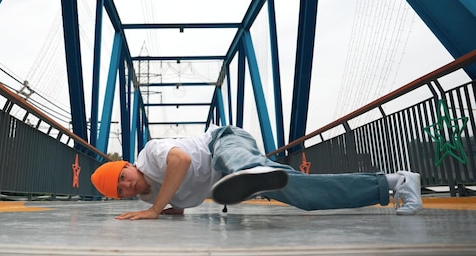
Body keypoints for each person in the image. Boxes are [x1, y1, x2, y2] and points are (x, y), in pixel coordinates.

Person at [90, 125, 423, 220]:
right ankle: (395, 183)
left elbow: (183, 163)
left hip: (223, 142)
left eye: (122, 176)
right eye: (120, 192)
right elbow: (180, 201)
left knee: (235, 161)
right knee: (302, 194)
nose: (126, 186)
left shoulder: (151, 154)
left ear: (128, 164)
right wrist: (169, 208)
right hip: (228, 174)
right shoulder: (161, 191)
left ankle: (252, 174)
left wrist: (153, 210)